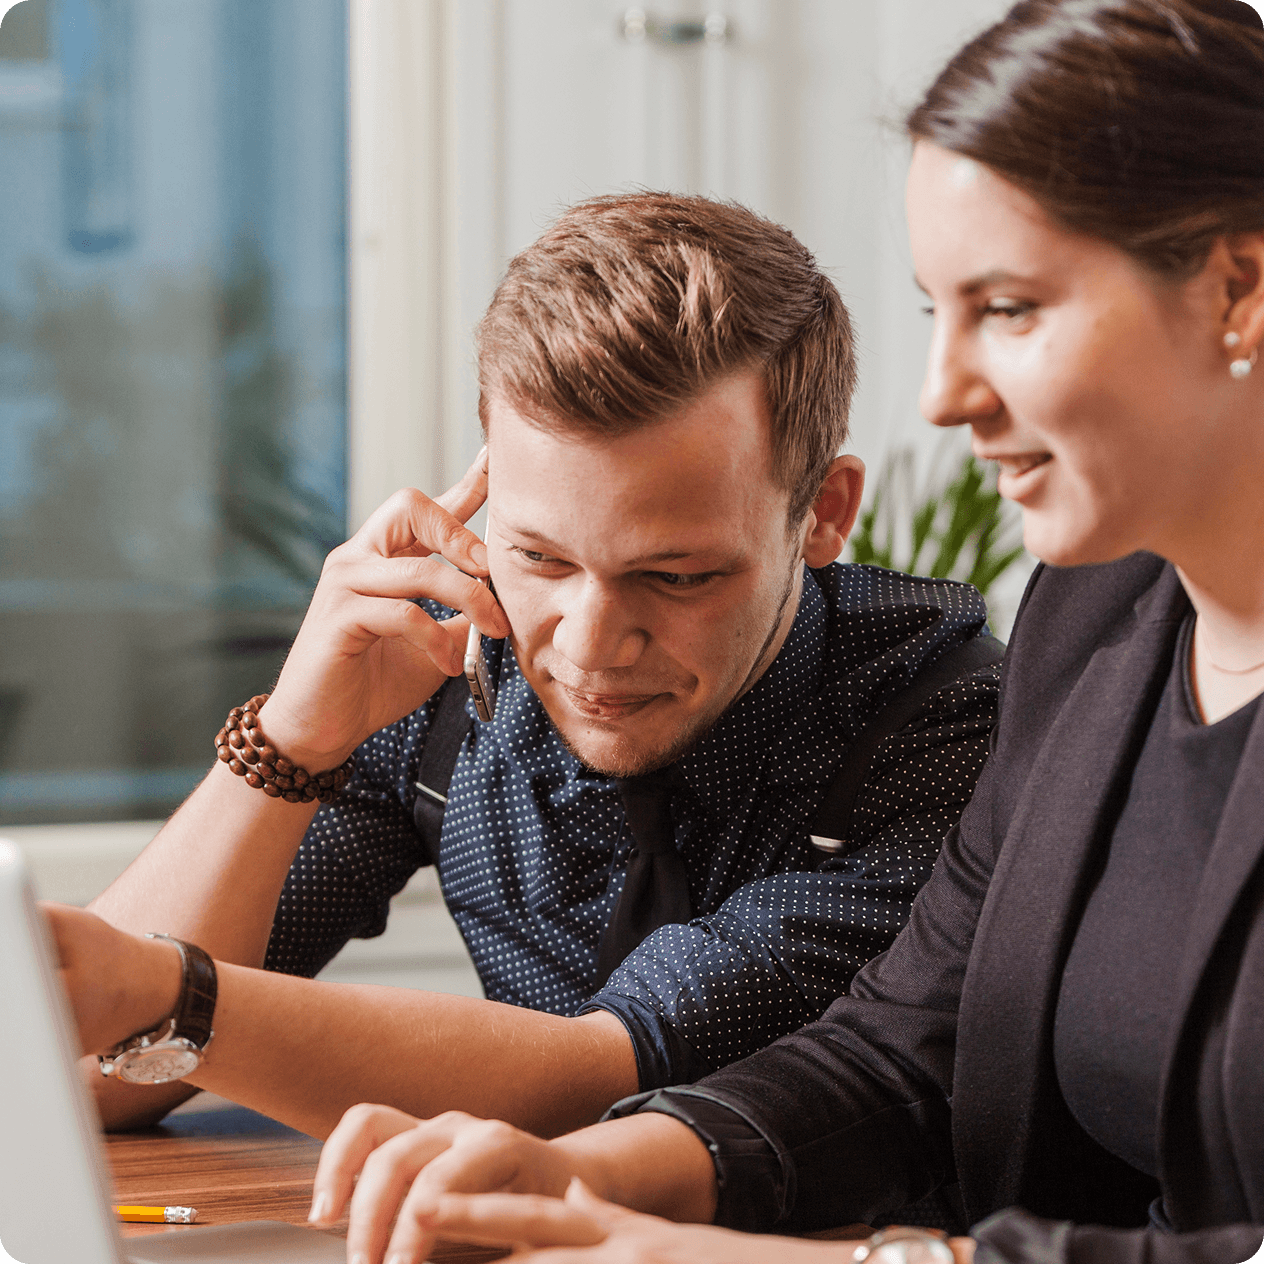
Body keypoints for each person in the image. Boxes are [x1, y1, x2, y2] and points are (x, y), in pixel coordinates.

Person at [274, 1, 1264, 1261]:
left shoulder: (946, 689)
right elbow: (906, 1041)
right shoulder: (1097, 618)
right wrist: (590, 1177)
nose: (944, 394)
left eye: (1008, 309)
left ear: (1236, 285)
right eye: (936, 315)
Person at [50, 193, 1000, 1146]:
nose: (585, 646)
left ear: (824, 512)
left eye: (675, 576)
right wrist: (292, 739)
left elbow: (607, 1082)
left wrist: (167, 996)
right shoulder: (449, 665)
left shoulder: (947, 725)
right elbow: (88, 1083)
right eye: (541, 557)